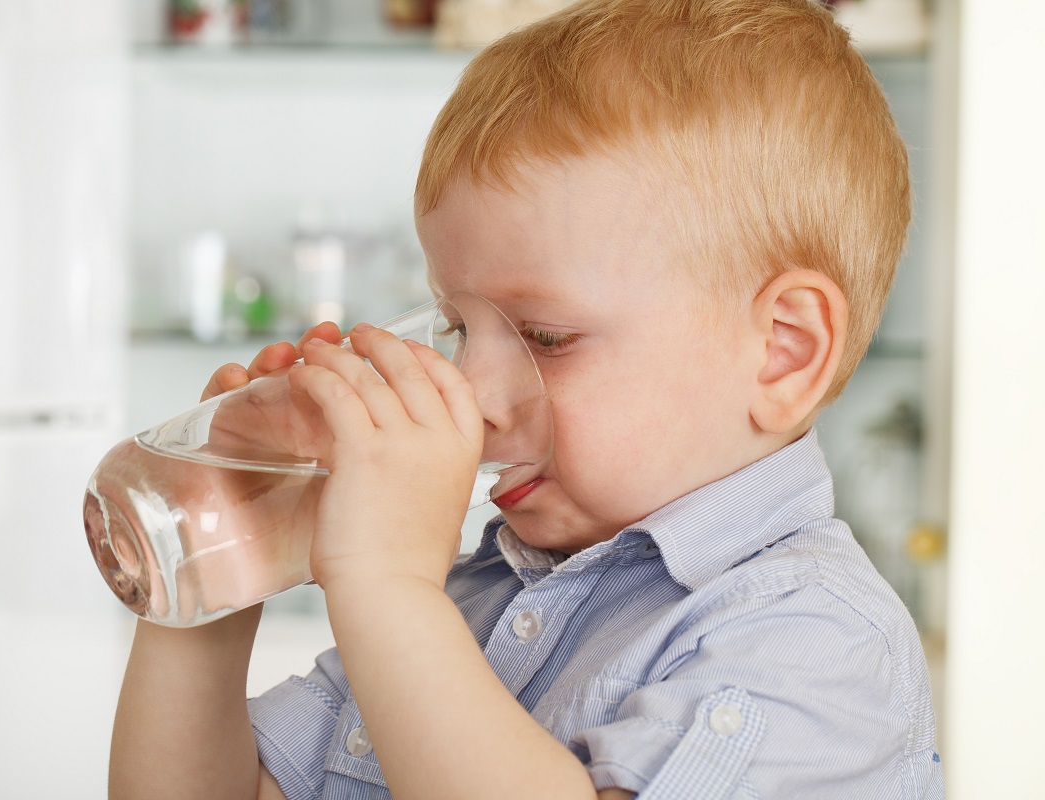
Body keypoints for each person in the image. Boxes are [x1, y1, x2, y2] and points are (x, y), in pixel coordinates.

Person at [109, 0, 944, 797]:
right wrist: (217, 575)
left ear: (782, 352)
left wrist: (390, 588)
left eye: (546, 338)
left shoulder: (819, 643)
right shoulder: (479, 597)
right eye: (457, 328)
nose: (473, 393)